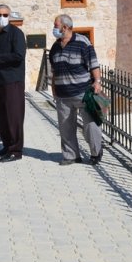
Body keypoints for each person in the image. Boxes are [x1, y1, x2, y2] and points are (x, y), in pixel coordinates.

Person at [49, 14, 104, 165]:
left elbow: (93, 64)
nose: (54, 28)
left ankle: (96, 152)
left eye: (56, 26)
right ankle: (71, 156)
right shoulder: (55, 47)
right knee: (65, 128)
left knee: (91, 125)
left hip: (83, 92)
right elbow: (54, 71)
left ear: (65, 27)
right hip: (62, 95)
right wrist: (54, 89)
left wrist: (97, 81)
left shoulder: (82, 42)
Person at [0, 3, 26, 163]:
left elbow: (19, 55)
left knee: (13, 116)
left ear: (9, 16)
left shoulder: (16, 33)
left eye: (5, 15)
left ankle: (16, 150)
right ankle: (7, 145)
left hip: (12, 80)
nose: (1, 18)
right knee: (0, 116)